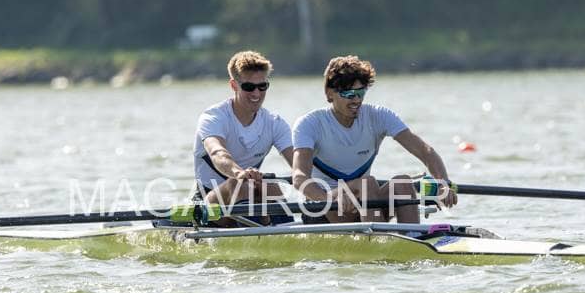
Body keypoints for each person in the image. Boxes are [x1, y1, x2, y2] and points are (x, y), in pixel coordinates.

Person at [291, 55, 456, 224]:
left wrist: (443, 184)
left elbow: (425, 151)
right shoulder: (309, 124)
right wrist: (327, 198)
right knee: (367, 184)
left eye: (360, 93)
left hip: (364, 203)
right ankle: (379, 234)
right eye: (348, 94)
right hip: (322, 207)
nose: (356, 100)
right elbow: (299, 177)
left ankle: (411, 235)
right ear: (330, 93)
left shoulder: (378, 116)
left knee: (403, 183)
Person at [193, 50, 293, 217]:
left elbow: (299, 163)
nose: (256, 93)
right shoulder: (213, 118)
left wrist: (307, 177)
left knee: (270, 186)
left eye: (262, 86)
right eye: (249, 87)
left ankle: (281, 226)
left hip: (248, 196)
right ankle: (261, 224)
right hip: (208, 200)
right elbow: (218, 153)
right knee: (239, 184)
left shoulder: (274, 123)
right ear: (234, 85)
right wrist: (238, 173)